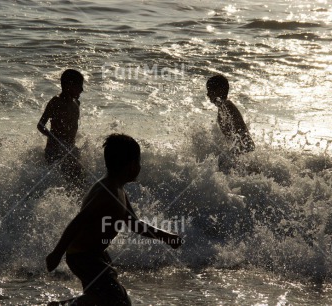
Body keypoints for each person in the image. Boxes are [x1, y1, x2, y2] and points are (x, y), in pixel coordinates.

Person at [46, 134, 183, 306]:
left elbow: (135, 224)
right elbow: (79, 221)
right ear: (132, 165)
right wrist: (56, 254)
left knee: (105, 299)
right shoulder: (107, 191)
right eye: (138, 162)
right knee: (117, 300)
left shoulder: (118, 190)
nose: (139, 166)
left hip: (95, 254)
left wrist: (166, 236)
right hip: (83, 256)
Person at [37, 69, 84, 184]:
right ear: (69, 85)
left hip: (69, 148)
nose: (82, 89)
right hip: (54, 150)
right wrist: (54, 138)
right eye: (79, 86)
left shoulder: (76, 102)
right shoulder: (55, 102)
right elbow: (40, 125)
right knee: (70, 181)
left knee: (80, 180)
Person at [206, 74, 255, 155]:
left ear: (219, 90)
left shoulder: (226, 106)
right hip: (244, 147)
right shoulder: (223, 107)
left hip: (244, 147)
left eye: (209, 90)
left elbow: (238, 132)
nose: (207, 94)